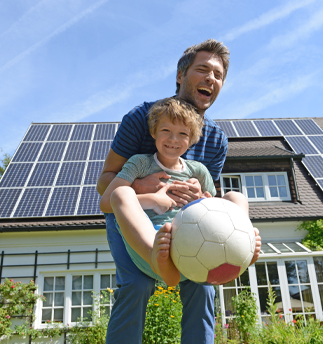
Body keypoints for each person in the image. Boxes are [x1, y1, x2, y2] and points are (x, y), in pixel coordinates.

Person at [96, 39, 261, 344]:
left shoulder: (215, 140)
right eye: (203, 69)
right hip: (135, 220)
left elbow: (210, 202)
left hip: (188, 227)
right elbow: (107, 185)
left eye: (218, 74)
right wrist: (144, 187)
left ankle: (242, 249)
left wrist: (202, 199)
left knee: (203, 288)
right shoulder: (141, 117)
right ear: (181, 75)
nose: (211, 78)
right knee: (137, 285)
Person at [99, 97, 249, 288]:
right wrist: (153, 200)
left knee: (236, 197)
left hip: (192, 243)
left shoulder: (198, 171)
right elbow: (106, 202)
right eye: (166, 131)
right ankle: (156, 259)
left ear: (192, 139)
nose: (173, 139)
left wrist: (202, 200)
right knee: (120, 194)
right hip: (153, 243)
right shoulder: (140, 163)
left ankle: (243, 245)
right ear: (153, 132)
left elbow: (215, 209)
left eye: (182, 134)